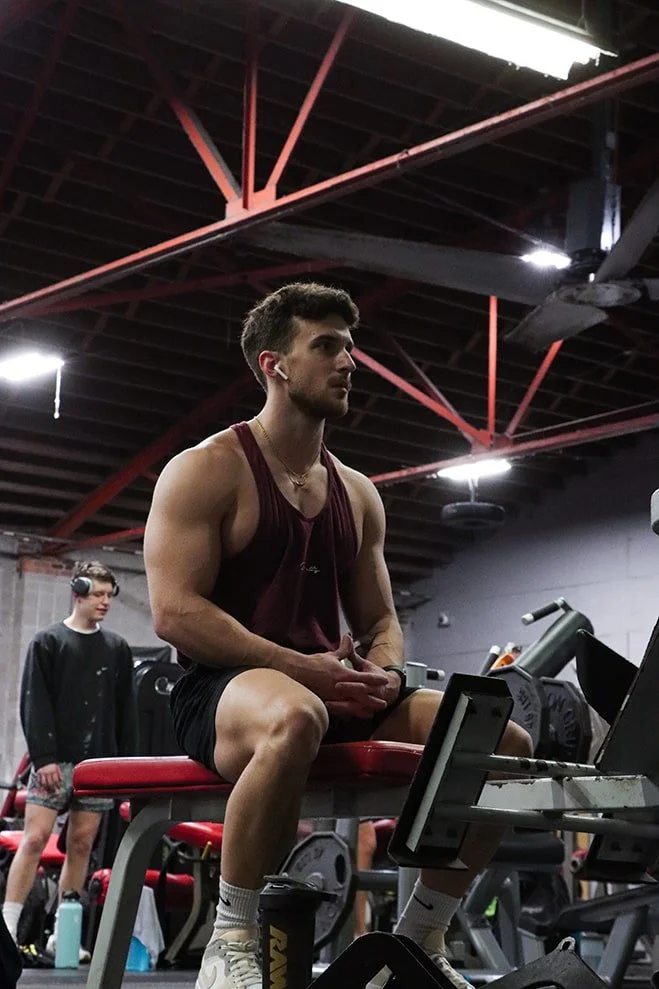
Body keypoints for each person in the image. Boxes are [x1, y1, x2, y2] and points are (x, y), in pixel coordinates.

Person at [144, 282, 533, 989]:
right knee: (296, 712)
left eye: (350, 346)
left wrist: (385, 672)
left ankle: (416, 941)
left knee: (501, 742)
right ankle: (232, 939)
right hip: (225, 691)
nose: (348, 361)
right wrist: (304, 669)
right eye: (325, 345)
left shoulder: (356, 492)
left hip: (333, 688)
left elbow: (381, 620)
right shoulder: (206, 469)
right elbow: (175, 613)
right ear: (275, 364)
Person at [1, 560, 137, 961]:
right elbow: (34, 703)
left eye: (109, 595)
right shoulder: (47, 642)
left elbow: (125, 712)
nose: (105, 602)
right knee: (36, 839)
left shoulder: (117, 649)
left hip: (99, 767)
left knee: (81, 844)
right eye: (97, 594)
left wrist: (128, 769)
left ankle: (64, 933)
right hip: (53, 764)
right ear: (77, 593)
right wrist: (43, 758)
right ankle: (7, 925)